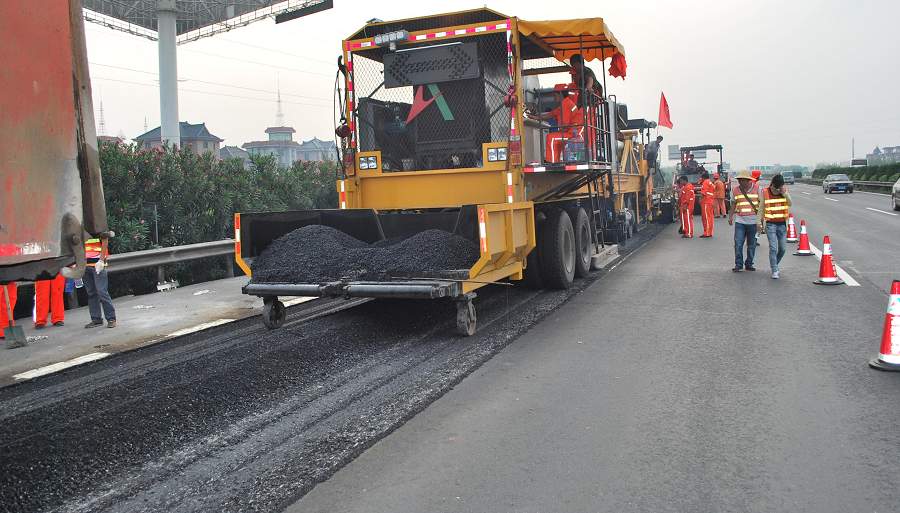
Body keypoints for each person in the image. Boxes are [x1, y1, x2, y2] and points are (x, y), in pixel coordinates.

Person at [759, 174, 792, 279]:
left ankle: (775, 264)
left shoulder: (783, 191)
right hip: (770, 224)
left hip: (782, 224)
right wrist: (758, 223)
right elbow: (761, 209)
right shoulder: (765, 192)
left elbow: (790, 203)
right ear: (772, 184)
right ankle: (775, 270)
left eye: (780, 187)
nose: (778, 189)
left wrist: (785, 193)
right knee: (773, 248)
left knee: (782, 249)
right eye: (776, 187)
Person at [728, 169, 760, 271]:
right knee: (738, 243)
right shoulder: (736, 190)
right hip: (740, 221)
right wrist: (730, 216)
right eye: (739, 180)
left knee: (752, 245)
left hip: (753, 222)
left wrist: (761, 220)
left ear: (748, 180)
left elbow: (762, 204)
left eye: (743, 180)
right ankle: (738, 264)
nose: (741, 182)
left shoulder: (757, 189)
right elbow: (733, 203)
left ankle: (749, 263)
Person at [83, 236, 116, 328]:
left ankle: (111, 318)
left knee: (102, 291)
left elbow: (105, 240)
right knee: (91, 293)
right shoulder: (79, 226)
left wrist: (101, 260)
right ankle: (96, 319)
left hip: (98, 263)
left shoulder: (96, 224)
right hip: (84, 263)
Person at [699, 171, 716, 238]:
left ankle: (707, 233)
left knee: (706, 218)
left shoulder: (705, 182)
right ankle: (710, 232)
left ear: (703, 178)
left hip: (706, 202)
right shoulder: (710, 182)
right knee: (710, 217)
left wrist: (700, 199)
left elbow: (703, 193)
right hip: (710, 201)